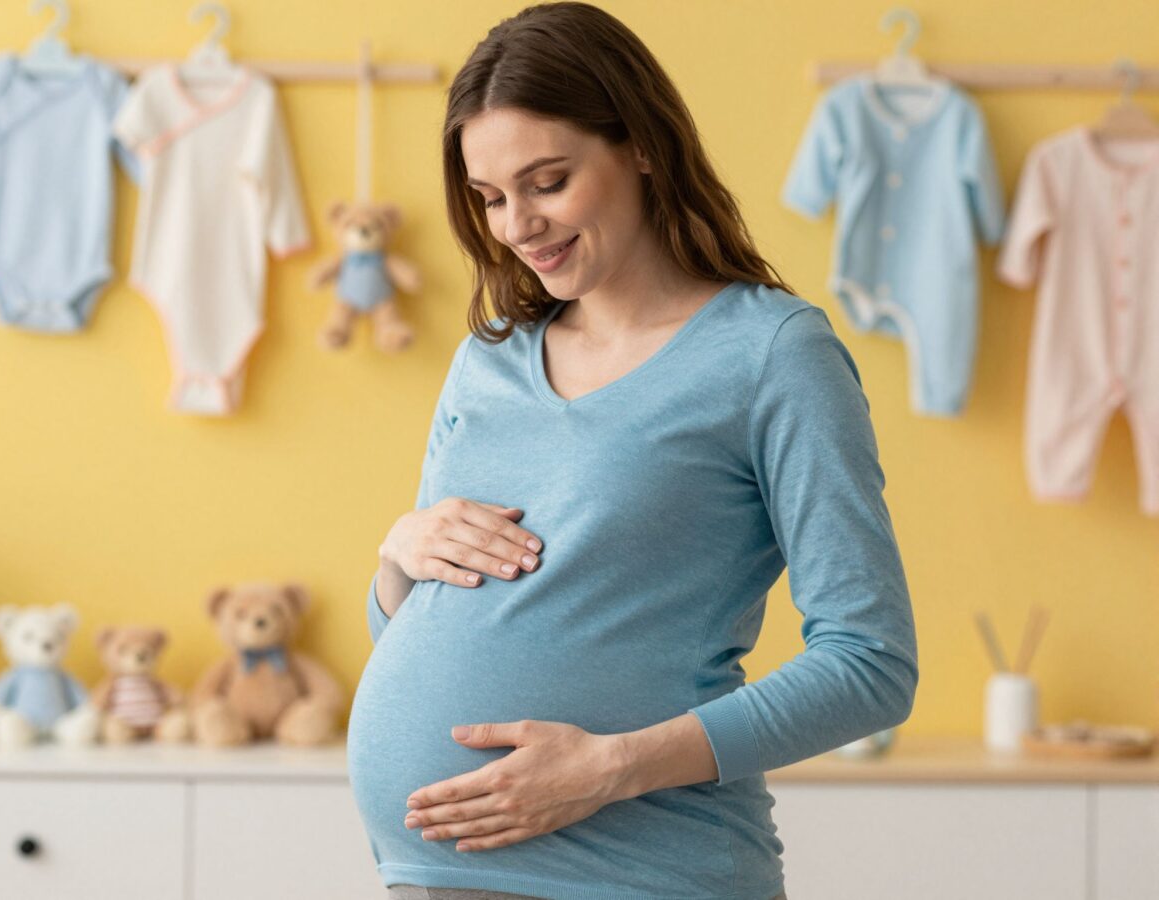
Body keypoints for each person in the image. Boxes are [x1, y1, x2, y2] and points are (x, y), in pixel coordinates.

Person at [346, 4, 919, 899]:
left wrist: (611, 766)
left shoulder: (772, 354)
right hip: (435, 872)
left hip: (645, 874)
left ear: (641, 145)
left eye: (548, 182)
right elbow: (418, 633)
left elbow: (870, 664)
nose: (517, 226)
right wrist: (397, 558)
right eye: (491, 198)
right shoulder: (486, 359)